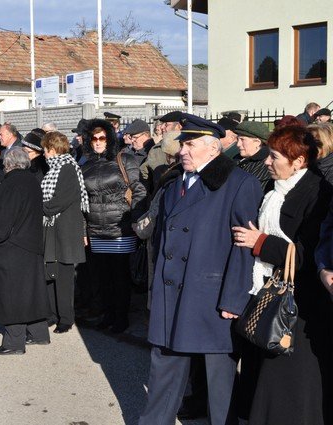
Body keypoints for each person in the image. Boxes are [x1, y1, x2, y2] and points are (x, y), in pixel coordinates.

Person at [138, 115, 263, 425]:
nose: (182, 151)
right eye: (182, 144)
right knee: (165, 367)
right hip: (172, 291)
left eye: (190, 145)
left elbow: (244, 246)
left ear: (213, 148)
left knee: (219, 378)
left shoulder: (239, 183)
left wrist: (234, 299)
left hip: (212, 294)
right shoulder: (174, 183)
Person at [236, 125, 332, 425]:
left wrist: (260, 243)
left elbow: (307, 254)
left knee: (290, 383)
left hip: (300, 306)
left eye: (274, 156)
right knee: (263, 374)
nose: (267, 161)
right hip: (268, 293)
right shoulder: (274, 188)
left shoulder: (318, 193)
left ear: (298, 161)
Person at [0, 147, 51, 355]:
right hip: (32, 243)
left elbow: (2, 219)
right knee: (31, 290)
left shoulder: (10, 184)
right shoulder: (32, 181)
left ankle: (14, 342)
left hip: (11, 247)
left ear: (8, 164)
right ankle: (39, 333)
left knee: (11, 293)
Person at [81, 119, 147, 333]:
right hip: (96, 228)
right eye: (93, 138)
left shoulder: (124, 159)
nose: (98, 142)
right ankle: (108, 315)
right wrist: (83, 229)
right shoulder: (86, 165)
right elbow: (82, 200)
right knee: (102, 277)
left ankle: (121, 318)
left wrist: (135, 218)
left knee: (120, 277)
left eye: (102, 137)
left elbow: (138, 190)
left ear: (109, 139)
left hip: (120, 227)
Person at [41, 131, 89, 334]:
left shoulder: (67, 168)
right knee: (51, 272)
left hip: (66, 230)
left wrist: (40, 206)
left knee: (64, 277)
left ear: (52, 149)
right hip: (53, 227)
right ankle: (52, 314)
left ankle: (66, 318)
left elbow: (61, 199)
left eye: (45, 149)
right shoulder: (55, 168)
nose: (44, 153)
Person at [234, 121, 273, 192]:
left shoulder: (265, 165)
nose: (238, 144)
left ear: (257, 142)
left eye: (242, 139)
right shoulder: (237, 159)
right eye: (237, 139)